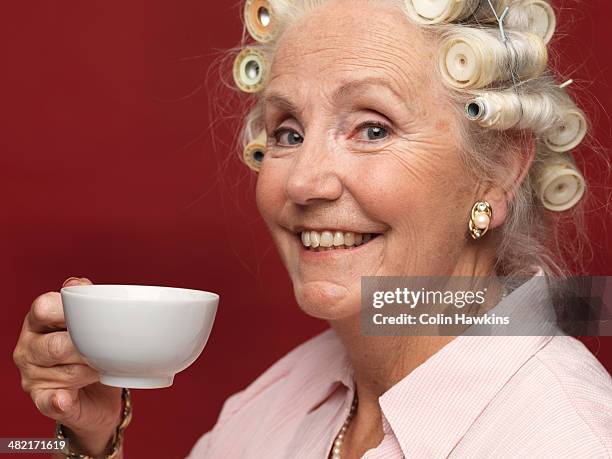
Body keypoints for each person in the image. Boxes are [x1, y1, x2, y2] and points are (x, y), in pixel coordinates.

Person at [13, 0, 612, 457]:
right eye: (288, 133)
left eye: (373, 129)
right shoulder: (278, 400)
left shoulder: (567, 436)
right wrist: (92, 439)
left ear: (500, 168)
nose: (303, 183)